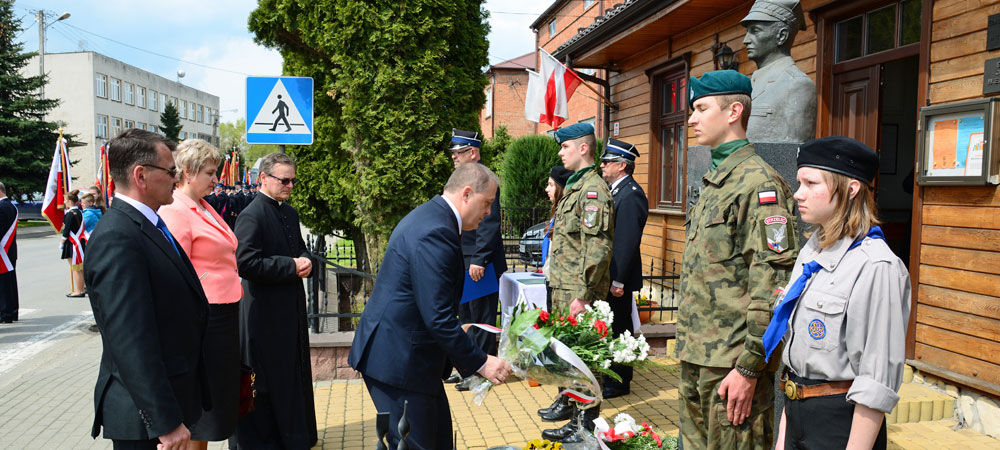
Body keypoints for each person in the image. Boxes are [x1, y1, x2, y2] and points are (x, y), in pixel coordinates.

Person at [349, 163, 512, 450]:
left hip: (413, 359)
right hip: (398, 363)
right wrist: (482, 362)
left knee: (437, 439)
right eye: (486, 203)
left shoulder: (436, 218)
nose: (488, 212)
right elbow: (437, 317)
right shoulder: (435, 231)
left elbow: (431, 304)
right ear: (466, 193)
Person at [676, 70, 799, 450]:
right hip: (697, 354)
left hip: (731, 363)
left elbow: (774, 286)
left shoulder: (759, 184)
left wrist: (748, 367)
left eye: (700, 108)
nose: (692, 119)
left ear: (733, 111)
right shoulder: (717, 179)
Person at [762, 137, 910, 450]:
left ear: (851, 188)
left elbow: (876, 380)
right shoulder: (813, 250)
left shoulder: (877, 266)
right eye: (799, 182)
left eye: (810, 183)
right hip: (795, 412)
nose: (798, 193)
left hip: (840, 424)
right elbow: (798, 365)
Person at [84, 128, 210, 450]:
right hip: (146, 421)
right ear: (141, 175)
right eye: (171, 171)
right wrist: (164, 421)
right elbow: (130, 340)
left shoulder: (148, 222)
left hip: (170, 399)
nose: (177, 178)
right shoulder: (118, 236)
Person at [158, 139, 241, 450]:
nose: (216, 179)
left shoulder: (203, 206)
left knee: (210, 407)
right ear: (188, 173)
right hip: (204, 319)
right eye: (209, 172)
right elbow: (175, 274)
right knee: (199, 409)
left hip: (221, 315)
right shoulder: (177, 210)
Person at [234, 152, 317, 449]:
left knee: (292, 377)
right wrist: (291, 266)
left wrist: (306, 261)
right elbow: (245, 263)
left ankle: (295, 437)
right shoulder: (251, 215)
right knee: (269, 383)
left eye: (293, 180)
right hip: (265, 314)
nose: (290, 185)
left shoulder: (289, 213)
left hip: (289, 309)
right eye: (284, 180)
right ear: (263, 179)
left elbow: (301, 249)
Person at [540, 122, 615, 442]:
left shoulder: (593, 189)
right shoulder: (576, 186)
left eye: (565, 147)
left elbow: (597, 246)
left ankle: (584, 426)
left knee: (586, 358)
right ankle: (573, 414)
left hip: (578, 291)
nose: (560, 152)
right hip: (565, 286)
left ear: (583, 148)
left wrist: (583, 294)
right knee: (570, 354)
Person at [446, 129, 508, 392]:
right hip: (465, 258)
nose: (454, 158)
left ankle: (482, 372)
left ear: (473, 152)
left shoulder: (485, 179)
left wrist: (480, 258)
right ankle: (467, 368)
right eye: (452, 154)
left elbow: (489, 223)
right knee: (466, 317)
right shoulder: (463, 179)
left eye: (459, 152)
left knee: (482, 319)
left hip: (480, 262)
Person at [598, 138, 648, 399]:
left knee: (619, 328)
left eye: (607, 161)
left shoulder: (631, 194)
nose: (602, 165)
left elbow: (626, 241)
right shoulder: (617, 190)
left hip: (620, 278)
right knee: (613, 326)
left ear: (622, 165)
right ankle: (612, 375)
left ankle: (619, 381)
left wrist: (617, 280)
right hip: (612, 275)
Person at [741, 0, 816, 143]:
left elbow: (792, 154)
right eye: (747, 32)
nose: (746, 40)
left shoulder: (797, 85)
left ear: (781, 36)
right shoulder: (751, 83)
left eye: (755, 31)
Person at [540, 165, 572, 310]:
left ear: (562, 188)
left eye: (551, 185)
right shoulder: (557, 211)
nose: (547, 189)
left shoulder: (566, 214)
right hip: (551, 278)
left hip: (559, 282)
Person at [61, 189, 86, 298]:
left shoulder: (70, 214)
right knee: (80, 268)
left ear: (70, 201)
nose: (64, 202)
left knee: (75, 268)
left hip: (72, 243)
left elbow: (66, 231)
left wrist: (62, 242)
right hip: (79, 242)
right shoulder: (79, 211)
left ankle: (79, 290)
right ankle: (82, 288)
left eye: (65, 200)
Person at [0, 182, 18, 324]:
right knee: (10, 282)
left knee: (4, 284)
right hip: (10, 249)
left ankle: (5, 313)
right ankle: (12, 311)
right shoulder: (11, 205)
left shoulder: (1, 207)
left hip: (3, 251)